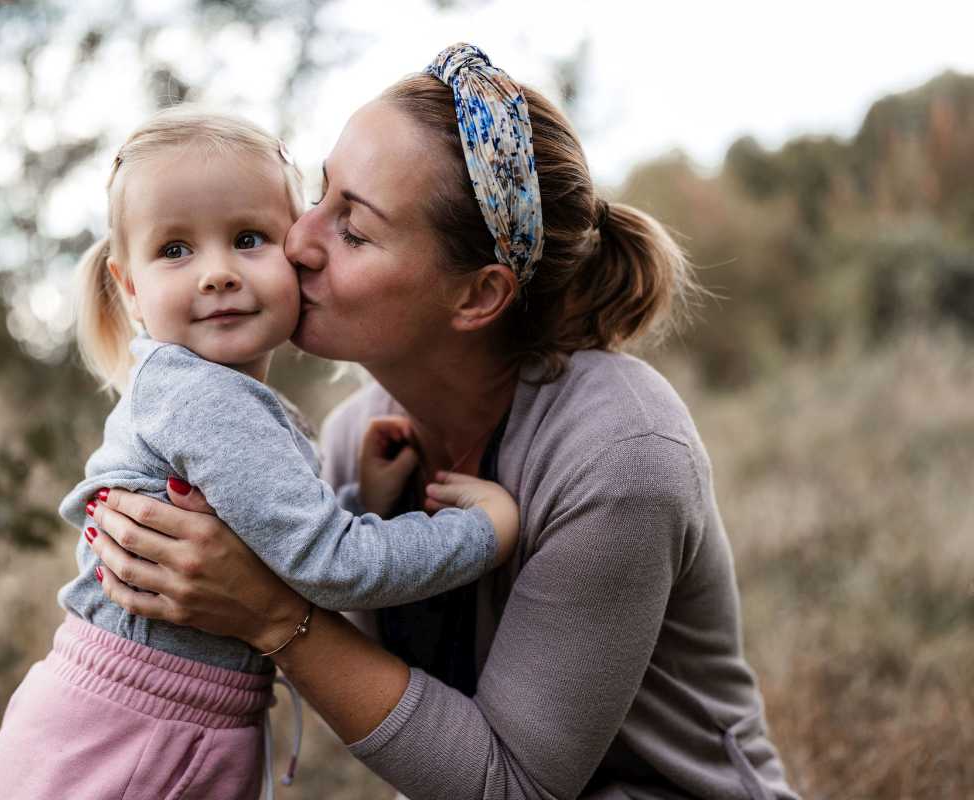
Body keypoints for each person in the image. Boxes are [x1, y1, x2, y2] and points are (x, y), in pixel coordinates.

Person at [81, 44, 801, 799]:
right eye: (320, 193)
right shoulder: (358, 438)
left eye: (353, 231)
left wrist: (271, 613)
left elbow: (514, 786)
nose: (297, 240)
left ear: (476, 297)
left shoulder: (619, 454)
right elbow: (374, 691)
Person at [0, 104, 520, 800]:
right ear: (131, 287)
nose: (216, 273)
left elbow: (277, 551)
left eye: (248, 237)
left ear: (296, 251)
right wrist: (482, 532)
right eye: (176, 250)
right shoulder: (210, 400)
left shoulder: (197, 391)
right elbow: (331, 566)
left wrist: (358, 500)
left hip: (128, 722)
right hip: (138, 741)